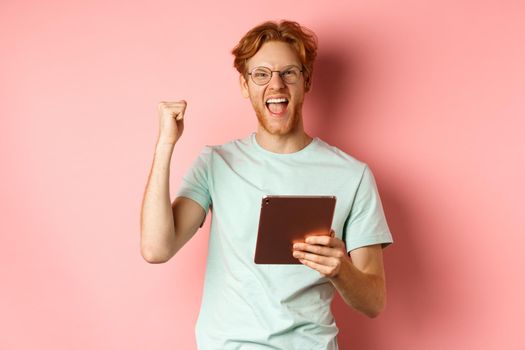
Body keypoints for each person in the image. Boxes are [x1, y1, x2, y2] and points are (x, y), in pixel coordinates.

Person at [140, 20, 393, 350]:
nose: (276, 85)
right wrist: (164, 145)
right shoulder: (217, 163)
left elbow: (374, 302)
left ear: (306, 81)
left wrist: (340, 270)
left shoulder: (352, 175)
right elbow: (156, 248)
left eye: (289, 73)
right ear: (245, 85)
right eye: (261, 74)